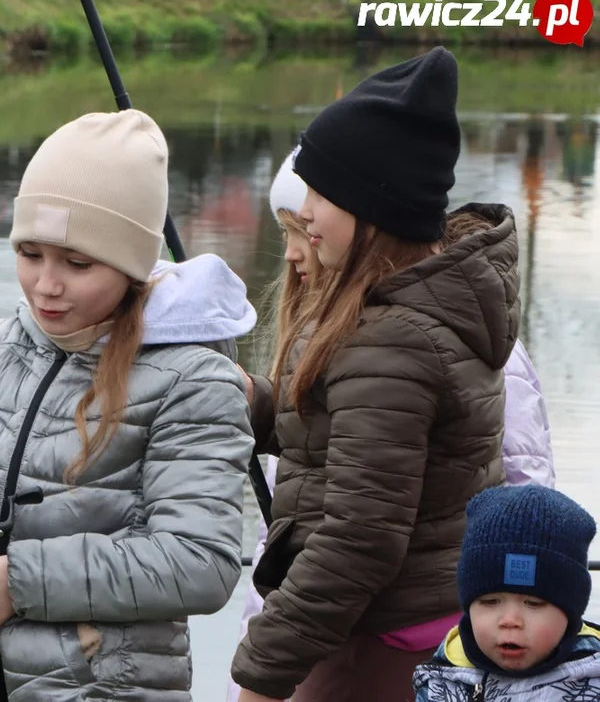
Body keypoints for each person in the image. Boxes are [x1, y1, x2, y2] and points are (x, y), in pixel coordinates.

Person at [0, 108, 259, 701]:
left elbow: (201, 563)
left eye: (77, 263)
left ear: (133, 265)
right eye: (30, 254)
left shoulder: (194, 381)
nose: (46, 285)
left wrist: (19, 582)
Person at [229, 46, 522, 701]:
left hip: (380, 647)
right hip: (422, 625)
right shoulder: (420, 309)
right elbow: (356, 435)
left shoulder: (390, 339)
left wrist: (261, 677)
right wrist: (259, 406)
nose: (303, 213)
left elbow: (359, 540)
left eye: (319, 197)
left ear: (372, 206)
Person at [413, 485, 600, 699]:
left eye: (533, 603)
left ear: (571, 611)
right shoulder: (442, 677)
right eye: (490, 601)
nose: (510, 620)